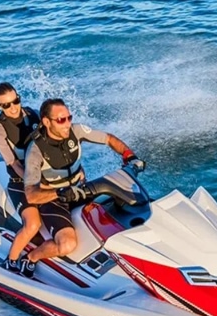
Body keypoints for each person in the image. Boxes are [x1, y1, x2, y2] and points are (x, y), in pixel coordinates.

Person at [21, 98, 142, 276]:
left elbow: (108, 139)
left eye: (69, 118)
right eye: (61, 120)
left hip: (78, 191)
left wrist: (130, 156)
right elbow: (31, 195)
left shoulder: (76, 131)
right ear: (47, 122)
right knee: (67, 245)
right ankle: (31, 257)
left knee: (124, 203)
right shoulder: (36, 150)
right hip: (53, 199)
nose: (67, 124)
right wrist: (60, 192)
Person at [0, 82, 42, 276]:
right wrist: (33, 183)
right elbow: (14, 164)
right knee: (33, 225)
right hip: (21, 184)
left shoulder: (33, 114)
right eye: (6, 105)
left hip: (47, 179)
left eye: (15, 100)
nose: (13, 107)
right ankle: (11, 261)